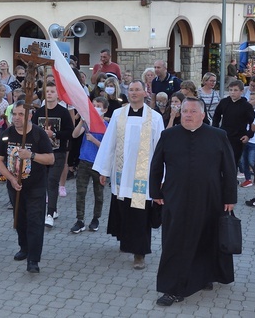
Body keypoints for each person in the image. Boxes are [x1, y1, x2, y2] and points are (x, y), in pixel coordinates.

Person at [150, 97, 237, 306]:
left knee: (206, 238)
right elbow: (156, 165)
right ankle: (172, 289)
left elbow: (229, 168)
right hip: (175, 198)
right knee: (175, 242)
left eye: (192, 111)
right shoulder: (168, 135)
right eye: (185, 111)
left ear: (203, 115)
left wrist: (230, 197)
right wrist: (155, 192)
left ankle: (204, 276)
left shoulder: (218, 135)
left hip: (210, 198)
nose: (188, 115)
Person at [93, 80, 164, 270]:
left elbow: (160, 149)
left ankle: (139, 253)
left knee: (140, 213)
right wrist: (104, 170)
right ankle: (126, 242)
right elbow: (109, 143)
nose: (133, 93)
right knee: (124, 209)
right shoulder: (118, 114)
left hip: (143, 175)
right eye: (131, 90)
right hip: (121, 174)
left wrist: (161, 177)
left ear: (144, 93)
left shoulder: (155, 118)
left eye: (137, 90)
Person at [0, 101, 55, 273]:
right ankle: (24, 247)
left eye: (21, 114)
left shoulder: (38, 134)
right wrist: (11, 179)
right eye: (14, 114)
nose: (16, 117)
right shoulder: (8, 134)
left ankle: (33, 259)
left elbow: (50, 159)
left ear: (29, 116)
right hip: (15, 187)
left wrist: (32, 155)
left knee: (35, 222)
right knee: (20, 220)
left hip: (35, 186)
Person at [31, 82, 74, 227]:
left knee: (52, 181)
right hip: (42, 153)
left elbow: (70, 132)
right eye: (47, 91)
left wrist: (54, 134)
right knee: (43, 181)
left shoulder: (63, 112)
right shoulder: (39, 112)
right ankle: (53, 209)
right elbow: (33, 130)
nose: (49, 94)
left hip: (58, 153)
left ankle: (49, 214)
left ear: (57, 94)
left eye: (52, 91)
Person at [69, 97, 107, 234]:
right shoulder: (88, 123)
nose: (96, 107)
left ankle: (96, 218)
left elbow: (107, 147)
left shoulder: (106, 126)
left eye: (99, 106)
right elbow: (74, 135)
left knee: (98, 193)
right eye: (94, 105)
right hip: (84, 161)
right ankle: (80, 220)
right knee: (81, 192)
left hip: (99, 164)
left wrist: (94, 140)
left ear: (105, 110)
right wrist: (82, 121)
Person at [212, 80, 255, 172]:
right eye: (231, 90)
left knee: (233, 161)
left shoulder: (246, 106)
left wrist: (248, 135)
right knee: (221, 160)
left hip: (238, 138)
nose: (232, 92)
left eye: (235, 90)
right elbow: (216, 116)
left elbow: (253, 122)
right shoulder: (224, 102)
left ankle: (231, 182)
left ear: (241, 91)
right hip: (224, 135)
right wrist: (215, 130)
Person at [239, 91, 255, 189]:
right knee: (244, 161)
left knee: (252, 160)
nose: (249, 101)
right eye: (249, 98)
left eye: (252, 99)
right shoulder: (246, 110)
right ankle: (248, 179)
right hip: (245, 139)